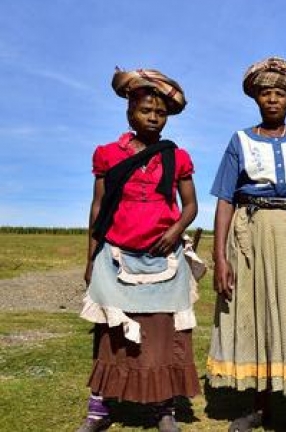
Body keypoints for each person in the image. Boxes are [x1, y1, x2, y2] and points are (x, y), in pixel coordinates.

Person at [206, 56, 286, 432]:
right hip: (249, 232)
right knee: (253, 313)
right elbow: (225, 199)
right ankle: (256, 407)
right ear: (256, 99)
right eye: (265, 93)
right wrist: (220, 258)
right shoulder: (240, 141)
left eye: (280, 93)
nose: (273, 100)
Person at [77, 68, 200, 432]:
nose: (153, 117)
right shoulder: (108, 155)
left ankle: (163, 410)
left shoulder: (176, 158)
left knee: (164, 334)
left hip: (164, 259)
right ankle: (99, 410)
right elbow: (98, 208)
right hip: (116, 257)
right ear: (130, 111)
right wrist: (90, 257)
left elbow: (190, 205)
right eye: (146, 110)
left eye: (160, 113)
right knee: (111, 334)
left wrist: (176, 229)